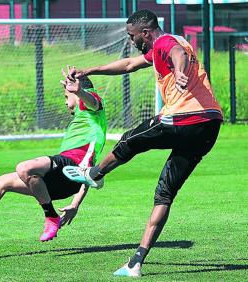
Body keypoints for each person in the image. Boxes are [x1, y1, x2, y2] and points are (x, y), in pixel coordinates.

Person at [62, 9, 223, 277]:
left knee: (129, 140)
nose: (130, 40)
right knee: (164, 193)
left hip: (186, 117)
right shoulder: (169, 44)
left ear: (145, 33)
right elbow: (128, 65)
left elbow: (177, 55)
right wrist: (88, 70)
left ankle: (94, 173)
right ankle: (135, 262)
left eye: (132, 36)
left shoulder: (164, 42)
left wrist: (181, 72)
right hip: (209, 126)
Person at [0, 71, 107, 242]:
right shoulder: (83, 118)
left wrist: (79, 92)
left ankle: (51, 216)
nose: (65, 102)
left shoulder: (93, 105)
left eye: (66, 96)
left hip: (71, 167)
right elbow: (88, 175)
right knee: (2, 182)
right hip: (63, 183)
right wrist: (74, 205)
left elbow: (91, 102)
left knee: (25, 168)